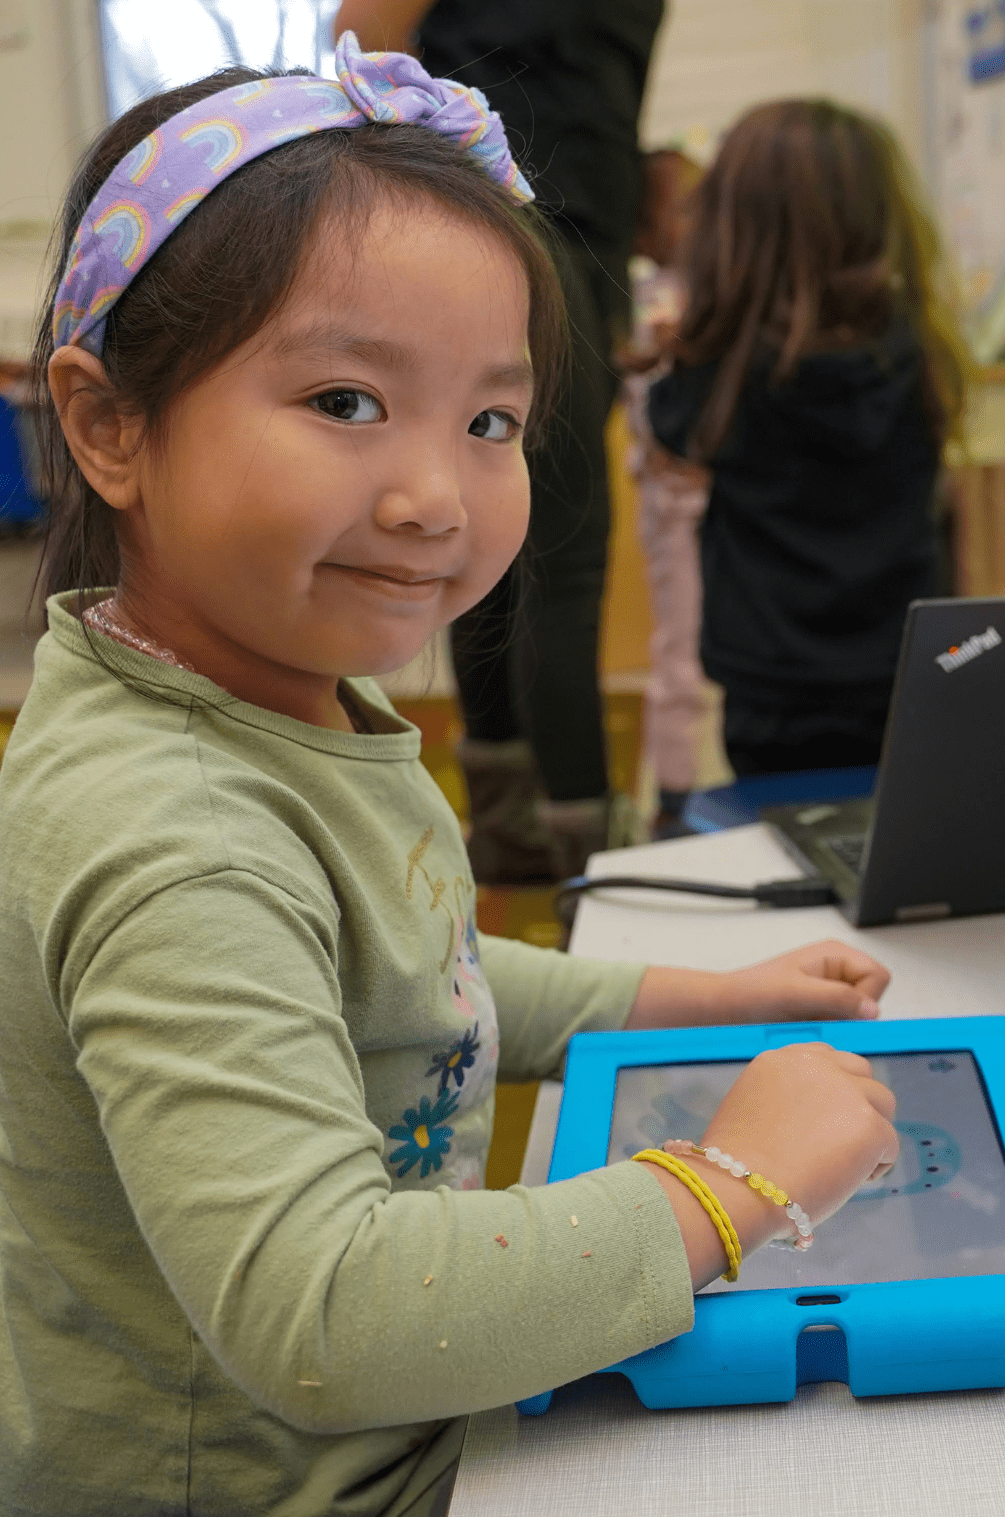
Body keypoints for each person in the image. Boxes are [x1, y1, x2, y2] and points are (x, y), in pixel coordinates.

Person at [0, 40, 898, 1517]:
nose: (434, 498)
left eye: (490, 423)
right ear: (110, 427)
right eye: (346, 400)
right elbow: (327, 1313)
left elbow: (414, 973)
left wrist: (700, 995)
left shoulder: (271, 691)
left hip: (341, 1465)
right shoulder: (176, 824)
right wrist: (735, 1184)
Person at [337, 0, 667, 882]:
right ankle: (589, 857)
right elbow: (363, 39)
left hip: (587, 243)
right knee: (559, 560)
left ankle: (516, 827)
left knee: (510, 539)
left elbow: (605, 95)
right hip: (499, 219)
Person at [649, 100, 973, 778]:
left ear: (736, 230)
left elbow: (667, 424)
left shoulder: (723, 370)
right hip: (908, 666)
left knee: (785, 823)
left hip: (769, 688)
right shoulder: (919, 352)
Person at [621, 148, 709, 836]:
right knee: (679, 650)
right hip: (674, 504)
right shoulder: (648, 293)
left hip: (715, 500)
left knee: (710, 650)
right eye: (675, 209)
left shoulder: (720, 287)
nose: (691, 223)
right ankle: (675, 801)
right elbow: (640, 381)